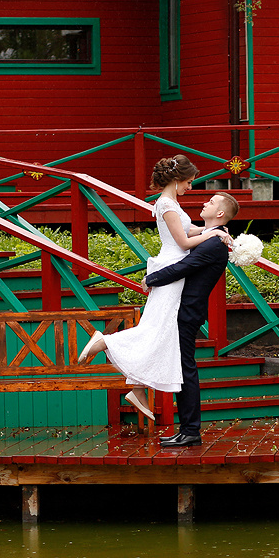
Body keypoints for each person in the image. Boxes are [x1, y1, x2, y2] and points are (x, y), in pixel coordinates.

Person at [76, 155, 231, 421]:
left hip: (173, 268)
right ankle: (104, 341)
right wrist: (214, 234)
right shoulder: (167, 204)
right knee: (156, 329)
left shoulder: (172, 204)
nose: (191, 188)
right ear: (176, 179)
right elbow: (182, 243)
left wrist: (214, 231)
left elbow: (189, 230)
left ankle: (137, 387)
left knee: (161, 330)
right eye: (189, 182)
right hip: (171, 268)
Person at [141, 191, 240, 447]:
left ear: (219, 214)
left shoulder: (213, 244)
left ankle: (190, 430)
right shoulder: (210, 238)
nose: (205, 202)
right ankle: (186, 427)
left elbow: (181, 268)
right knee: (182, 367)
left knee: (186, 369)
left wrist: (150, 279)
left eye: (211, 202)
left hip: (187, 312)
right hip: (184, 309)